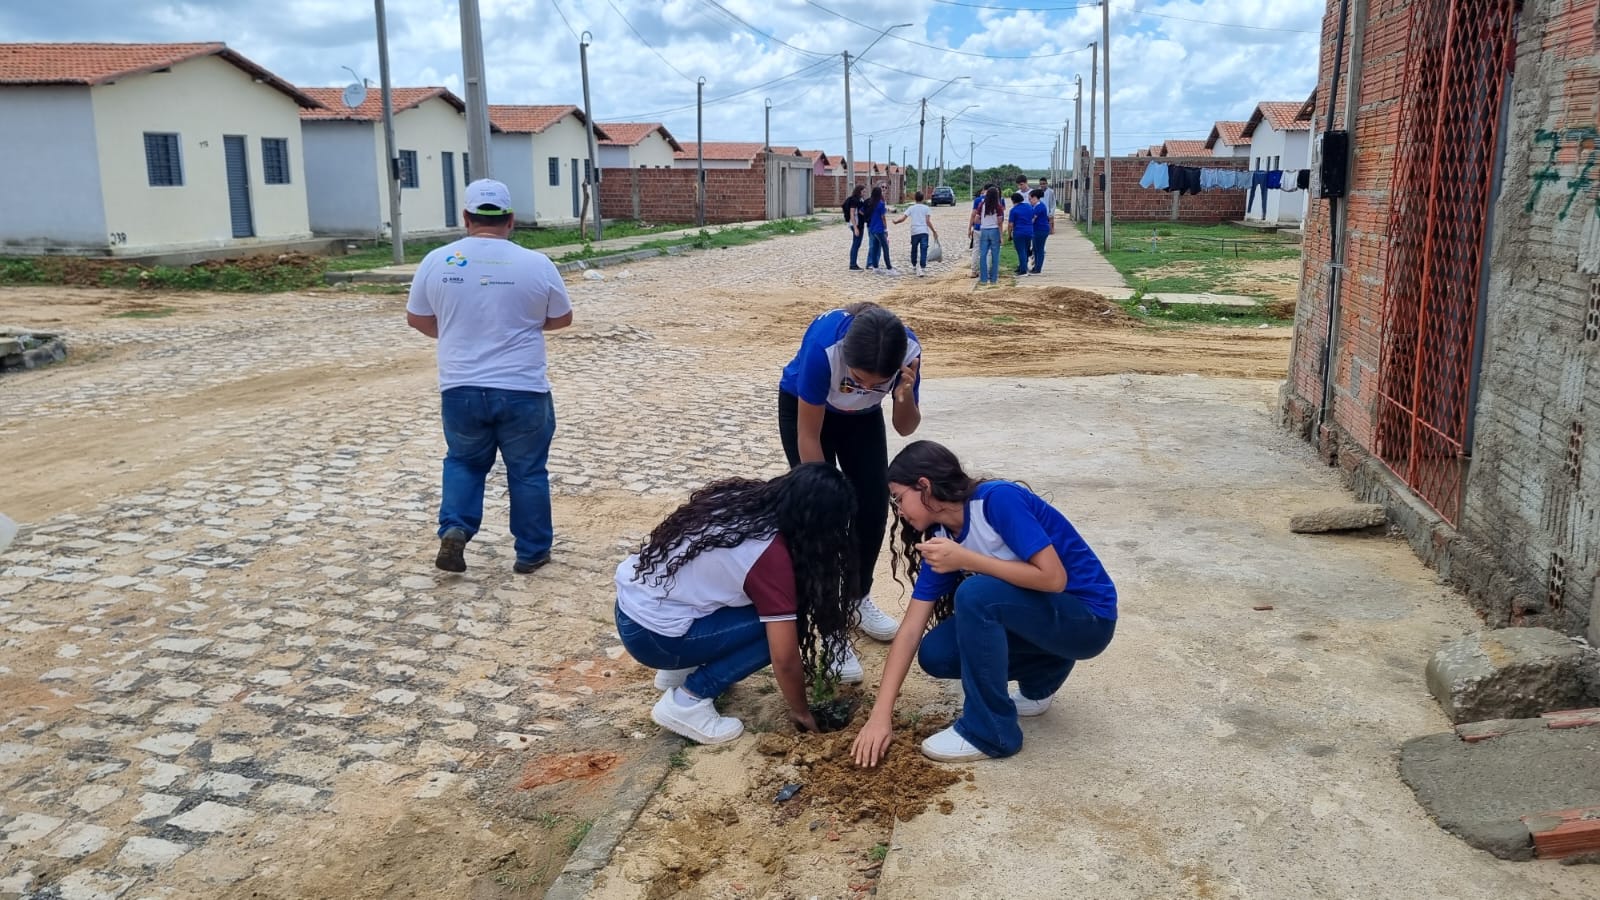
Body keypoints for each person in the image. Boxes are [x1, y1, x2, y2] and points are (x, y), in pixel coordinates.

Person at [852, 441, 1117, 764]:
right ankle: (1043, 677)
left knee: (976, 594)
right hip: (1049, 623)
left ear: (924, 486)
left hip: (1088, 621)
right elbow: (909, 631)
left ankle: (990, 732)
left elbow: (1053, 579)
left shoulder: (997, 500)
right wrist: (880, 716)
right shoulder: (943, 537)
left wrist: (967, 559)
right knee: (937, 654)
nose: (898, 511)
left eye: (898, 498)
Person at [616, 464, 863, 744]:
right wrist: (802, 711)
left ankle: (678, 670)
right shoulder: (770, 555)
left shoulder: (741, 500)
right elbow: (784, 657)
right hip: (655, 639)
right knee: (777, 631)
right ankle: (688, 701)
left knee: (744, 597)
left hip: (632, 611)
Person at [406, 179, 573, 574]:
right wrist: (521, 327)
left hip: (460, 387)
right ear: (510, 219)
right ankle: (531, 552)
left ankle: (455, 528)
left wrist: (457, 332)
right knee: (527, 471)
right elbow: (562, 318)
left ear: (466, 217)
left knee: (463, 462)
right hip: (523, 388)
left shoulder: (437, 261)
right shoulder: (537, 263)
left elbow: (417, 318)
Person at [777, 303, 922, 643]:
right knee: (820, 515)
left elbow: (905, 427)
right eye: (858, 379)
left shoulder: (908, 351)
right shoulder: (825, 348)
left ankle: (858, 597)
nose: (866, 386)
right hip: (808, 411)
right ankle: (826, 615)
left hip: (862, 418)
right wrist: (825, 497)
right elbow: (808, 435)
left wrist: (902, 395)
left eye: (877, 382)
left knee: (872, 507)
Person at [893, 191, 940, 276]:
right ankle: (922, 266)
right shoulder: (926, 208)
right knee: (924, 249)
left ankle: (914, 264)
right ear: (923, 199)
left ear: (915, 199)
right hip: (924, 232)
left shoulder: (911, 208)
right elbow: (928, 221)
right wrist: (934, 231)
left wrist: (896, 222)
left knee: (914, 248)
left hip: (914, 232)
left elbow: (903, 218)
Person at [972, 187, 1004, 285]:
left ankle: (983, 279)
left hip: (984, 230)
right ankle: (993, 279)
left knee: (983, 255)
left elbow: (976, 219)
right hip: (994, 230)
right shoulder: (998, 206)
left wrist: (983, 222)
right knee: (995, 255)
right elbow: (1000, 221)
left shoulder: (982, 205)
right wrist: (1001, 236)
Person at [863, 186, 896, 274]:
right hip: (879, 228)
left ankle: (875, 267)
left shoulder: (870, 202)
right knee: (885, 248)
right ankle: (889, 268)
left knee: (874, 247)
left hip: (872, 228)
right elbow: (883, 217)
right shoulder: (880, 203)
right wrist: (886, 229)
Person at [1006, 191, 1034, 276]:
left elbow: (1010, 224)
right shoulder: (1029, 207)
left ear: (1013, 200)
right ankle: (1024, 266)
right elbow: (1032, 217)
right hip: (1029, 232)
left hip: (1019, 232)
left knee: (1021, 251)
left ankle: (1023, 270)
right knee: (1026, 250)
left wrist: (1009, 234)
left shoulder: (1014, 210)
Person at [1028, 188, 1053, 275]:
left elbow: (1032, 219)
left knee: (1039, 249)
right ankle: (1036, 267)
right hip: (1036, 229)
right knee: (1035, 249)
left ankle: (1038, 268)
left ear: (1035, 198)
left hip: (1041, 230)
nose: (1030, 201)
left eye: (1030, 199)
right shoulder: (1036, 206)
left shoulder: (1039, 207)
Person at [843, 185, 866, 271]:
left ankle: (854, 263)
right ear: (859, 191)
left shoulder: (860, 200)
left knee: (857, 244)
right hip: (856, 224)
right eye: (863, 191)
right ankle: (852, 264)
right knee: (856, 244)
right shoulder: (854, 200)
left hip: (860, 224)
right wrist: (855, 228)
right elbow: (852, 214)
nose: (864, 193)